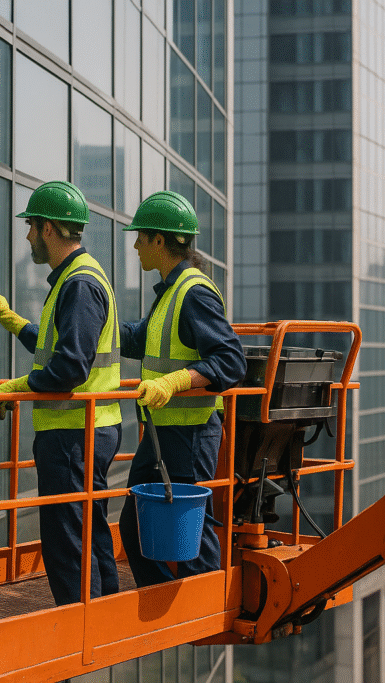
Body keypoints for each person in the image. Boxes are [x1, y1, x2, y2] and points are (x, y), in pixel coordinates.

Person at [0, 180, 122, 606]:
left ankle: (80, 622)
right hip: (86, 428)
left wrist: (15, 388)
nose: (26, 236)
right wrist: (10, 320)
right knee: (87, 530)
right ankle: (101, 610)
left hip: (74, 432)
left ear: (48, 229)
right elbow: (57, 347)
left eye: (31, 227)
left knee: (67, 539)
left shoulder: (78, 284)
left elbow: (69, 368)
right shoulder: (79, 279)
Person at [117, 190, 246, 587]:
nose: (136, 245)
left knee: (192, 530)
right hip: (163, 432)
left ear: (160, 241)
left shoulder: (193, 292)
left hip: (190, 433)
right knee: (133, 524)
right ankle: (167, 598)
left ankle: (199, 604)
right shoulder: (170, 292)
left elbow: (231, 361)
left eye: (142, 237)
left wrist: (174, 382)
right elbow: (137, 340)